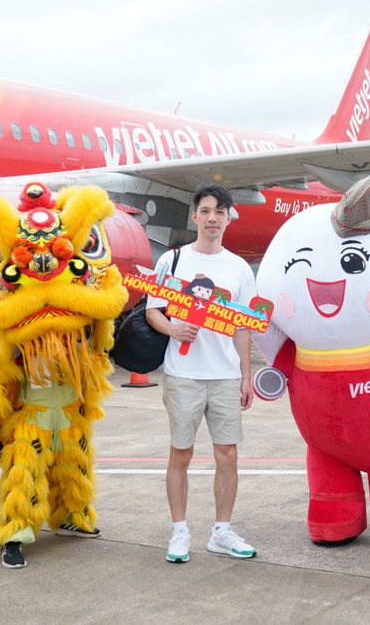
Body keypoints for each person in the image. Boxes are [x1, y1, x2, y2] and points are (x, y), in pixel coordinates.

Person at [146, 183, 257, 564]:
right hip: (183, 374)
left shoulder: (239, 268)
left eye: (220, 212)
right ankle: (179, 531)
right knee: (181, 453)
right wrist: (174, 328)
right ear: (195, 216)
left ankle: (221, 531)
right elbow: (153, 310)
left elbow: (243, 326)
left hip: (225, 375)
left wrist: (245, 376)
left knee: (227, 455)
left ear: (228, 218)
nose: (213, 218)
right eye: (206, 211)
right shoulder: (172, 261)